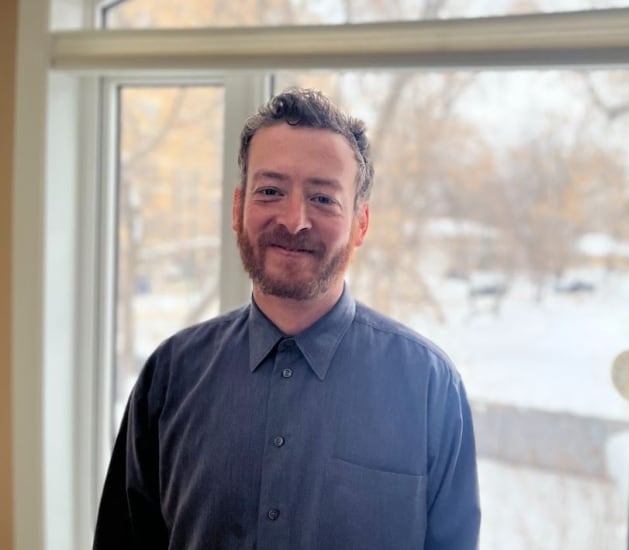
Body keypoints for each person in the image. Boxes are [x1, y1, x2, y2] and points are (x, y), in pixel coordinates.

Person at [93, 88, 481, 550]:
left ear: (361, 223)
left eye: (322, 198)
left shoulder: (429, 387)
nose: (294, 220)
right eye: (271, 191)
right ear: (238, 208)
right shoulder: (171, 374)